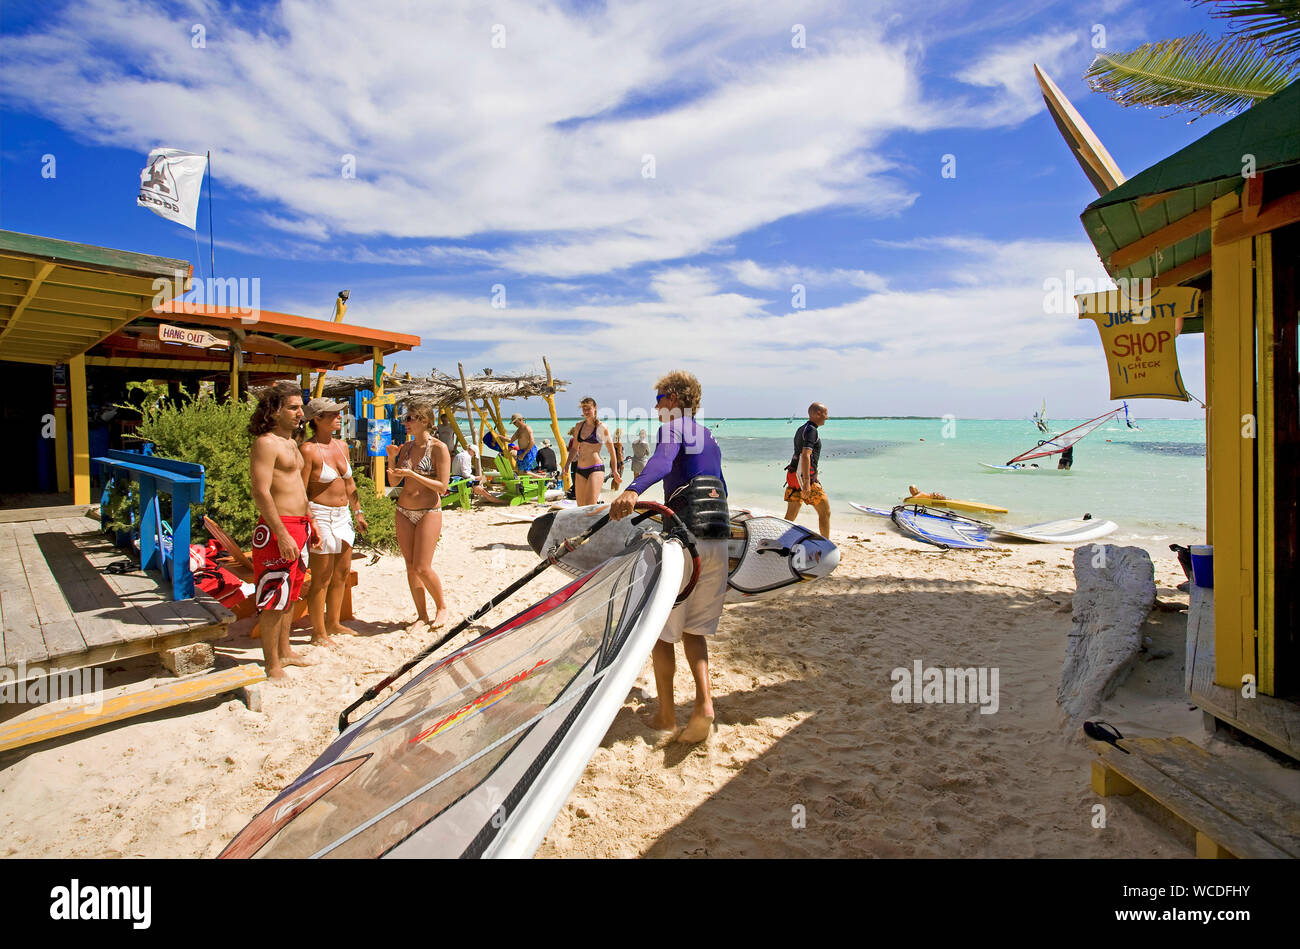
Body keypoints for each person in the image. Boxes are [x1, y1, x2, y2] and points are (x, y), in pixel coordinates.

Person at [610, 371, 729, 744]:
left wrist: (632, 489)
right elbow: (720, 485)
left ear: (676, 398)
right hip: (718, 536)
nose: (656, 404)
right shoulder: (707, 436)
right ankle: (704, 705)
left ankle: (665, 717)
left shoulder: (673, 428)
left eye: (660, 397)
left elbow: (661, 464)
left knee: (660, 630)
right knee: (694, 631)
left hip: (686, 538)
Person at [248, 381, 320, 679]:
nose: (300, 413)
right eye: (292, 408)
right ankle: (272, 664)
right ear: (274, 411)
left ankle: (285, 651)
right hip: (279, 527)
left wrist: (310, 520)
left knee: (290, 594)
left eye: (300, 407)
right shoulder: (266, 443)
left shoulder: (291, 443)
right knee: (273, 598)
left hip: (299, 525)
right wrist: (281, 532)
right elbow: (261, 491)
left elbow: (298, 489)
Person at [300, 398, 368, 647]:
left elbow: (350, 484)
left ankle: (333, 622)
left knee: (341, 573)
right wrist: (311, 521)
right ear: (317, 419)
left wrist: (358, 512)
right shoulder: (308, 449)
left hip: (343, 515)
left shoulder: (341, 446)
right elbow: (302, 489)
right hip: (320, 513)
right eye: (334, 414)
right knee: (321, 577)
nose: (340, 417)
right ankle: (318, 632)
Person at [385, 400, 451, 631]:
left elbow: (442, 486)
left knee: (423, 567)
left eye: (410, 418)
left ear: (425, 421)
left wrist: (413, 474)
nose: (406, 423)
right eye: (406, 418)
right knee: (411, 566)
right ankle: (421, 615)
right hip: (403, 510)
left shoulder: (439, 448)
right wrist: (392, 458)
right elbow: (393, 481)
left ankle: (441, 606)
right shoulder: (406, 448)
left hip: (428, 511)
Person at [784, 402, 831, 538]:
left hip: (793, 476)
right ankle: (826, 545)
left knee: (790, 516)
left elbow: (799, 455)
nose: (827, 417)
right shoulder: (812, 431)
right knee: (825, 512)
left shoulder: (801, 429)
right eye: (825, 413)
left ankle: (781, 540)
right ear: (817, 413)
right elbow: (805, 455)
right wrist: (806, 482)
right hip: (804, 480)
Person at [569, 397, 621, 505]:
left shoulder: (601, 428)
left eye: (588, 408)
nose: (586, 411)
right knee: (580, 507)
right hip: (579, 470)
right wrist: (566, 465)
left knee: (589, 507)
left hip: (595, 469)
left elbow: (612, 451)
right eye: (584, 409)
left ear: (595, 408)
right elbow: (574, 448)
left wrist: (615, 471)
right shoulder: (579, 426)